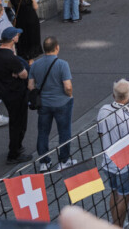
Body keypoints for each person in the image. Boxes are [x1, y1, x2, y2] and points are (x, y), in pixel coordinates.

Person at [97, 79, 129, 228]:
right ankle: (118, 225)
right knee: (124, 196)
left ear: (113, 95)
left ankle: (115, 222)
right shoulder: (128, 115)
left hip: (108, 163)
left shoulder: (103, 110)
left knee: (114, 192)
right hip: (124, 165)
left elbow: (101, 135)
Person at [30, 36, 74, 171]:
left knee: (43, 132)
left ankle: (44, 162)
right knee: (64, 131)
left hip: (44, 104)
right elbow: (67, 86)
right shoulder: (62, 64)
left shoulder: (35, 64)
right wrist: (70, 95)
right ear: (57, 48)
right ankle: (64, 160)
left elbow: (31, 86)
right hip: (62, 103)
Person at [0, 27, 30, 164]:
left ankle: (16, 148)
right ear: (13, 38)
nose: (18, 36)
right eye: (17, 35)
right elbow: (24, 74)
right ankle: (14, 153)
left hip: (5, 92)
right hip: (16, 93)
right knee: (18, 124)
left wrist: (15, 72)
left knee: (15, 122)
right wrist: (18, 72)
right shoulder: (10, 58)